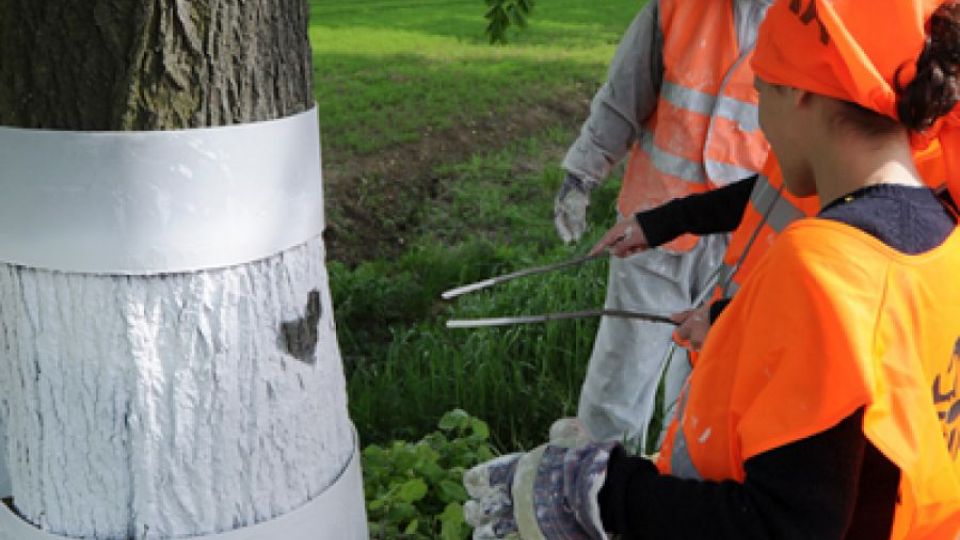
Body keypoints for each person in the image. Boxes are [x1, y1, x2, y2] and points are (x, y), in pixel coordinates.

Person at [464, 0, 960, 537]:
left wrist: (598, 493)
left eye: (761, 89)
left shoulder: (818, 268)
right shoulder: (940, 240)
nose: (760, 125)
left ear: (800, 93)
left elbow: (782, 524)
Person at [556, 0, 772, 446]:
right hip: (653, 226)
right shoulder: (677, 7)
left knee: (706, 383)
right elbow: (624, 95)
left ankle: (671, 491)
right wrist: (582, 172)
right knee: (622, 376)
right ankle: (592, 488)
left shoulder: (816, 21)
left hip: (746, 242)